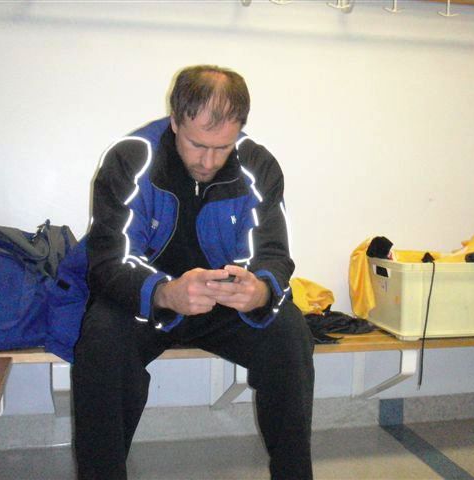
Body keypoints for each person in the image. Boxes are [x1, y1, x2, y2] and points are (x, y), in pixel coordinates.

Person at [72, 65, 315, 480]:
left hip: (223, 304)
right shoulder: (130, 158)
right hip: (147, 301)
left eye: (223, 147)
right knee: (101, 339)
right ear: (174, 122)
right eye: (197, 144)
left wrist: (260, 290)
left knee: (289, 332)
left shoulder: (259, 164)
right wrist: (165, 292)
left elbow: (275, 253)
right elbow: (106, 262)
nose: (208, 161)